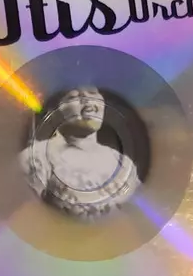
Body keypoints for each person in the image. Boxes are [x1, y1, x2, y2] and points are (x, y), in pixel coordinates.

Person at [19, 87, 140, 220]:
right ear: (54, 113)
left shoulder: (122, 163)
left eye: (93, 93)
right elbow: (23, 216)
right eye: (74, 97)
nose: (87, 100)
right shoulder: (37, 157)